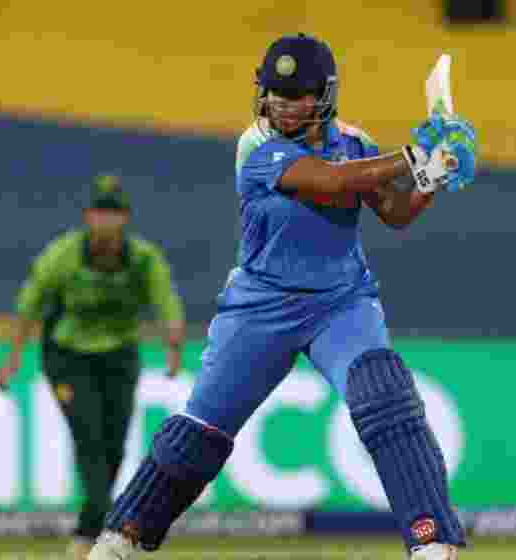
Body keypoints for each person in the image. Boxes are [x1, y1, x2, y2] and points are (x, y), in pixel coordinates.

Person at [87, 33, 477, 560]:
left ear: (324, 96)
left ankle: (434, 544)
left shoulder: (354, 142)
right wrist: (415, 154)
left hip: (342, 302)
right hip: (260, 305)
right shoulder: (256, 146)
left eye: (294, 95)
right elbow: (333, 181)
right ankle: (119, 541)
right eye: (272, 93)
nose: (280, 105)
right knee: (199, 434)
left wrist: (437, 170)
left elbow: (396, 213)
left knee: (385, 399)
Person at [0, 174, 186, 560]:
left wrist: (173, 346)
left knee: (114, 446)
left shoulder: (142, 258)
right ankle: (105, 528)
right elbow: (29, 304)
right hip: (67, 356)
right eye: (99, 213)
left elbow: (166, 302)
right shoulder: (63, 255)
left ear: (125, 219)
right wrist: (13, 356)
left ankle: (87, 531)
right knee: (89, 439)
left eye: (113, 213)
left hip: (118, 356)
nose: (106, 221)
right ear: (87, 217)